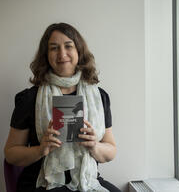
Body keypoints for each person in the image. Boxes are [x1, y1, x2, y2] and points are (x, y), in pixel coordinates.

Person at [4, 23, 121, 192]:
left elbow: (111, 151)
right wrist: (40, 149)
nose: (62, 54)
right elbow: (11, 153)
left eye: (68, 46)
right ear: (46, 55)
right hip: (42, 182)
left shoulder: (98, 97)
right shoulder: (30, 98)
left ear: (79, 51)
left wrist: (94, 145)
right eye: (54, 48)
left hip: (86, 180)